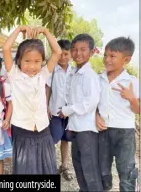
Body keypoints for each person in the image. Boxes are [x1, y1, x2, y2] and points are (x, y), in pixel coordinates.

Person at [2, 26, 62, 174]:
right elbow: (5, 49)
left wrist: (46, 32)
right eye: (27, 61)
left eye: (37, 61)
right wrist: (18, 29)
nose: (32, 66)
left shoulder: (42, 75)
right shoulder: (14, 75)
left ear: (42, 62)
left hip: (43, 131)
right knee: (25, 170)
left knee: (45, 168)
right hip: (23, 132)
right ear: (19, 60)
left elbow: (58, 52)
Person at [58, 34, 103, 191]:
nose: (78, 53)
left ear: (91, 52)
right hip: (76, 127)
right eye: (75, 49)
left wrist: (67, 110)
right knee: (78, 164)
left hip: (87, 129)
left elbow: (90, 103)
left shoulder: (89, 75)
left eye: (83, 50)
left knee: (89, 167)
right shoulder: (74, 73)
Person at [96, 37, 139, 191]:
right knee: (102, 170)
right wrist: (96, 116)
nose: (107, 59)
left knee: (126, 171)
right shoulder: (98, 79)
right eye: (105, 55)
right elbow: (93, 104)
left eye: (112, 56)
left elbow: (138, 109)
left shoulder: (132, 81)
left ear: (126, 59)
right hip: (103, 131)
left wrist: (132, 99)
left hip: (124, 132)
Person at [46, 39, 73, 181]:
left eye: (66, 54)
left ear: (71, 54)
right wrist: (46, 107)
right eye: (60, 54)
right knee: (53, 138)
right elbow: (47, 88)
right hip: (55, 111)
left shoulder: (74, 71)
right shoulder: (52, 70)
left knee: (66, 139)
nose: (63, 57)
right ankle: (49, 165)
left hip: (69, 113)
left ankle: (64, 166)